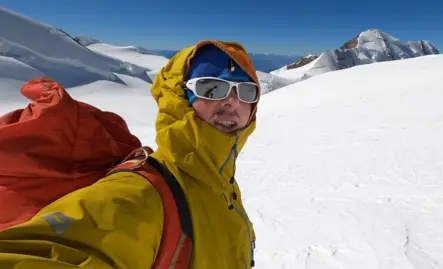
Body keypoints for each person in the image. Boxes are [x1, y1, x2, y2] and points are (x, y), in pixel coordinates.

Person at [0, 40, 261, 269]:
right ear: (179, 97)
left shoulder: (221, 182)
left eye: (246, 91)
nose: (232, 102)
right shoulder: (138, 191)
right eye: (212, 88)